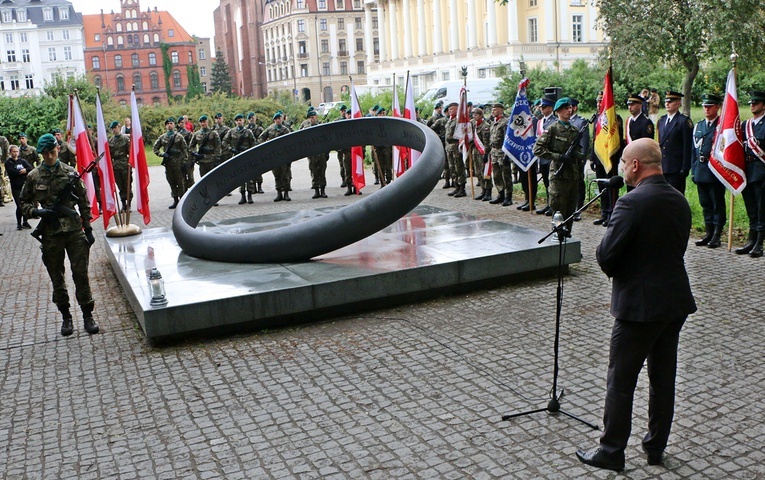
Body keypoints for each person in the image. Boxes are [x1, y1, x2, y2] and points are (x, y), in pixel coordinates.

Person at [576, 137, 696, 472]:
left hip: (638, 308)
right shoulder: (679, 199)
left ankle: (611, 450)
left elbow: (606, 255)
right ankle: (656, 446)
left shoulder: (631, 203)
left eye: (623, 162)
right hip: (674, 302)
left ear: (634, 165)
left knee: (621, 380)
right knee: (663, 378)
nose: (620, 169)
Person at [20, 133, 100, 336]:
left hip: (74, 231)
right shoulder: (34, 176)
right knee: (57, 277)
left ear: (58, 149)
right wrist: (37, 212)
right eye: (45, 153)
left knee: (80, 274)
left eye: (52, 151)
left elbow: (83, 202)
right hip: (50, 234)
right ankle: (66, 317)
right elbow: (23, 202)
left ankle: (87, 315)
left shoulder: (71, 173)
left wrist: (88, 229)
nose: (49, 156)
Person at [532, 97, 584, 235]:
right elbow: (538, 149)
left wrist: (579, 157)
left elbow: (578, 152)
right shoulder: (552, 129)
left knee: (570, 211)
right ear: (558, 111)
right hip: (559, 176)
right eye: (566, 108)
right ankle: (558, 239)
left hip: (572, 175)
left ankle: (568, 239)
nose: (569, 110)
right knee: (559, 210)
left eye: (570, 108)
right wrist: (558, 157)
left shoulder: (575, 130)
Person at [692, 93, 726, 249]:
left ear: (717, 107)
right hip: (701, 169)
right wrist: (694, 169)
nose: (706, 109)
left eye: (710, 106)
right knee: (705, 203)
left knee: (716, 203)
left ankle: (717, 235)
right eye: (705, 106)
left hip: (715, 170)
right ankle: (708, 232)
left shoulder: (722, 126)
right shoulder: (699, 125)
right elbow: (694, 149)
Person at [737, 90, 765, 257]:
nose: (752, 105)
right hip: (747, 171)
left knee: (762, 209)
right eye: (751, 103)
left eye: (756, 102)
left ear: (763, 105)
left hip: (762, 172)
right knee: (751, 208)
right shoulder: (745, 125)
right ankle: (751, 239)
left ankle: (759, 243)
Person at [592, 91, 625, 226]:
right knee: (602, 187)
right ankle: (604, 212)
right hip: (599, 157)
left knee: (611, 187)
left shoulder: (615, 118)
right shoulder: (597, 119)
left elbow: (618, 141)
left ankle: (612, 213)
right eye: (598, 102)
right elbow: (594, 139)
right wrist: (593, 158)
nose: (600, 104)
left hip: (610, 158)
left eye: (602, 101)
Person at [657, 90, 693, 194]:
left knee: (676, 196)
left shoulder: (683, 121)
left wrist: (685, 167)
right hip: (663, 166)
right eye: (666, 101)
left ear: (678, 103)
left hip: (676, 167)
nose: (667, 104)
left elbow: (687, 145)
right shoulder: (662, 120)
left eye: (671, 101)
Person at [152, 117, 187, 209]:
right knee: (171, 182)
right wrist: (162, 154)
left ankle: (182, 200)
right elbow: (155, 148)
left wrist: (184, 163)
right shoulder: (162, 137)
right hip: (168, 163)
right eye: (167, 124)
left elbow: (185, 150)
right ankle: (175, 200)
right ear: (166, 126)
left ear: (174, 125)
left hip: (178, 163)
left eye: (171, 123)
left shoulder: (179, 137)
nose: (169, 125)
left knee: (180, 182)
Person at [259, 111, 293, 201]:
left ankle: (286, 193)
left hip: (283, 155)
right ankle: (279, 193)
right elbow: (261, 138)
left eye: (279, 118)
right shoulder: (270, 129)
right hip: (274, 156)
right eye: (276, 119)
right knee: (276, 175)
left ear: (281, 119)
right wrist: (266, 147)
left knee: (285, 175)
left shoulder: (285, 130)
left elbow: (291, 142)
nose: (278, 120)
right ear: (274, 120)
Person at [222, 114, 256, 204]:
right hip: (237, 156)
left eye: (240, 120)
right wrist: (231, 149)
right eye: (237, 120)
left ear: (243, 121)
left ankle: (250, 195)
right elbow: (224, 142)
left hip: (247, 156)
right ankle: (242, 196)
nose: (239, 122)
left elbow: (253, 143)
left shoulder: (248, 132)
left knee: (249, 176)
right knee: (240, 176)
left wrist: (250, 152)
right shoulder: (231, 132)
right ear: (235, 122)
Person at [532, 96, 557, 214]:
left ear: (551, 108)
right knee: (546, 182)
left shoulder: (555, 121)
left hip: (550, 156)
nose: (542, 109)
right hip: (542, 157)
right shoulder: (540, 122)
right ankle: (548, 203)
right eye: (541, 107)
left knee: (552, 183)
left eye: (544, 107)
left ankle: (553, 205)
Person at [300, 108, 330, 198]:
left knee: (322, 172)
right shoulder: (306, 129)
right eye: (310, 117)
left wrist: (327, 152)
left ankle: (323, 190)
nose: (312, 119)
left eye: (313, 117)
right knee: (314, 172)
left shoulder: (321, 127)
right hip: (312, 155)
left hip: (321, 154)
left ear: (316, 117)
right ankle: (316, 191)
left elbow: (327, 140)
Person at [570, 98, 591, 220]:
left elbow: (584, 142)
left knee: (578, 182)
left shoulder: (581, 122)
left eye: (570, 107)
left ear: (575, 108)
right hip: (568, 158)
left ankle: (578, 207)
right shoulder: (563, 121)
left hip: (577, 158)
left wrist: (582, 158)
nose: (568, 110)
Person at [487, 103, 511, 206]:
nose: (493, 111)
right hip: (494, 151)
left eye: (495, 110)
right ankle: (500, 194)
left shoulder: (505, 122)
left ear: (501, 110)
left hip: (502, 151)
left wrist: (507, 154)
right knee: (496, 175)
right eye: (492, 110)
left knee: (505, 175)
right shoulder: (493, 122)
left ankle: (508, 197)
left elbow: (507, 138)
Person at [5, 145, 34, 229]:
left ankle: (25, 221)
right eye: (13, 151)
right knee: (19, 205)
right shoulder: (8, 162)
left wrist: (25, 170)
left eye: (17, 151)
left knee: (25, 204)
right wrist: (21, 172)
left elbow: (30, 168)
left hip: (24, 186)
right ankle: (19, 223)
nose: (15, 153)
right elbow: (11, 172)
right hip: (15, 187)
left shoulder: (22, 161)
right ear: (10, 152)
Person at [443, 102, 466, 197]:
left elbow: (461, 134)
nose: (449, 111)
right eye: (449, 109)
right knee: (452, 168)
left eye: (451, 109)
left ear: (457, 109)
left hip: (456, 147)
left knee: (459, 168)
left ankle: (462, 188)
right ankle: (456, 186)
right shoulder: (450, 120)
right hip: (449, 148)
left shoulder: (458, 121)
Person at [108, 121, 132, 211]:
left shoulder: (125, 139)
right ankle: (123, 204)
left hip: (125, 164)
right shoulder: (111, 140)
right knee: (120, 186)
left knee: (127, 185)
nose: (114, 130)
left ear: (119, 127)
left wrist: (130, 163)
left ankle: (129, 204)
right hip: (116, 165)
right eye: (113, 129)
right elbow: (109, 154)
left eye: (115, 128)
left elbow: (130, 152)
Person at [188, 115, 222, 179]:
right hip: (202, 161)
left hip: (211, 160)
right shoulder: (196, 134)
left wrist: (217, 158)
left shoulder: (213, 133)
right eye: (201, 122)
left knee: (213, 179)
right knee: (203, 179)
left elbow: (218, 146)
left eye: (204, 122)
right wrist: (195, 154)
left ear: (207, 122)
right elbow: (191, 146)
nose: (203, 123)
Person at [471, 107, 492, 201]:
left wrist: (486, 154)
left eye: (475, 114)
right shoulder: (475, 125)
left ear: (480, 115)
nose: (474, 116)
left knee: (485, 172)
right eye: (473, 114)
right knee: (478, 172)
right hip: (475, 151)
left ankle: (488, 191)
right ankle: (483, 190)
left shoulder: (485, 126)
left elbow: (486, 142)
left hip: (483, 151)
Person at [430, 102, 450, 189]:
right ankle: (447, 180)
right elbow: (430, 129)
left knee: (454, 163)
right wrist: (438, 136)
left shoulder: (454, 120)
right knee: (446, 163)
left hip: (451, 144)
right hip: (442, 143)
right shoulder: (439, 120)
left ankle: (455, 181)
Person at [246, 112, 265, 195]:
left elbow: (263, 138)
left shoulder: (259, 129)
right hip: (249, 151)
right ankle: (253, 187)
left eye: (253, 118)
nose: (251, 119)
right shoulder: (246, 129)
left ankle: (259, 186)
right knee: (251, 170)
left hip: (257, 151)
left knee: (259, 169)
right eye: (250, 118)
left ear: (255, 118)